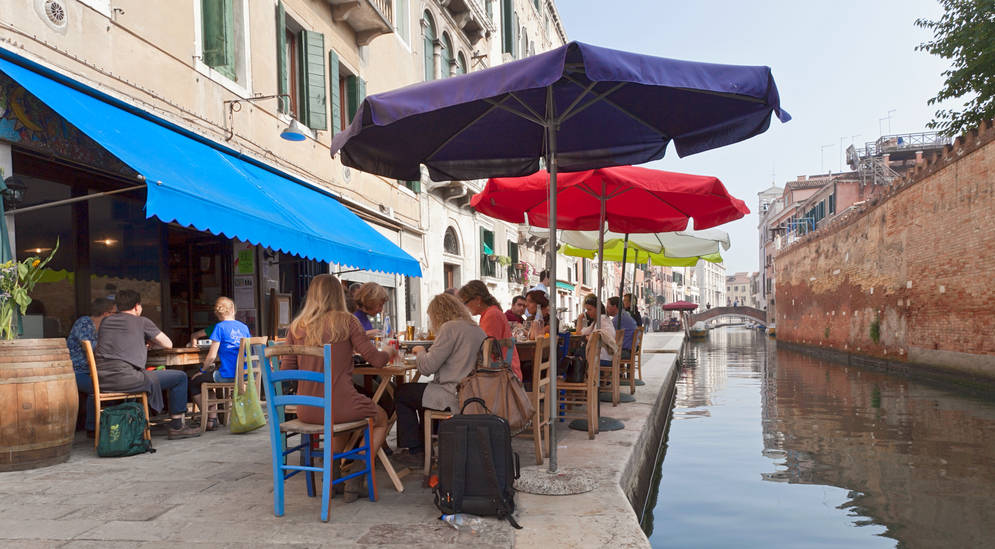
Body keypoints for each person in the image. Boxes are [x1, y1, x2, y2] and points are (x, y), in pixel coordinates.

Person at [280, 274, 397, 502]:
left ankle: (332, 477)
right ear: (338, 295)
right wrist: (390, 352)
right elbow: (376, 360)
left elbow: (286, 369)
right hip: (341, 404)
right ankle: (356, 475)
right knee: (381, 418)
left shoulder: (296, 326)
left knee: (339, 424)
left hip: (307, 409)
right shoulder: (347, 321)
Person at [392, 293, 486, 467]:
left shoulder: (450, 328)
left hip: (452, 393)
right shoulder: (476, 328)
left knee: (403, 392)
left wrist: (420, 351)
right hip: (473, 393)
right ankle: (425, 444)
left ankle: (415, 451)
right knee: (420, 395)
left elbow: (427, 367)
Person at [94, 289, 201, 439]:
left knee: (147, 374)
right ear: (137, 307)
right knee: (180, 377)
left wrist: (141, 343)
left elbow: (120, 343)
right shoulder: (142, 321)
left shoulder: (106, 322)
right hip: (128, 379)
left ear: (117, 306)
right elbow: (168, 344)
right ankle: (177, 426)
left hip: (103, 380)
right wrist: (151, 343)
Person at [188, 297, 251, 431]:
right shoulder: (244, 328)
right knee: (206, 383)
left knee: (195, 381)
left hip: (227, 376)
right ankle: (212, 418)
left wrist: (202, 370)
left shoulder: (219, 327)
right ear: (233, 309)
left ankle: (209, 417)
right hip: (244, 375)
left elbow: (211, 357)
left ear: (217, 314)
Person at [66, 297, 116, 436]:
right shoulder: (84, 323)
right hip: (76, 372)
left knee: (115, 384)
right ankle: (92, 428)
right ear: (106, 313)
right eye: (114, 313)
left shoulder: (103, 328)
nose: (116, 317)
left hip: (94, 371)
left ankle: (109, 422)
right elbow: (91, 350)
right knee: (98, 387)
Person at [458, 280, 522, 380]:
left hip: (502, 374)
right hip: (503, 370)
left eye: (465, 303)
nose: (465, 307)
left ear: (478, 300)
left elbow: (486, 350)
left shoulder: (491, 316)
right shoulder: (491, 312)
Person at [578, 294, 617, 364]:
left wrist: (586, 337)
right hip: (607, 356)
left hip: (602, 357)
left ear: (597, 309)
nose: (587, 312)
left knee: (577, 356)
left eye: (590, 309)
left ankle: (584, 374)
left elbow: (593, 338)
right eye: (587, 310)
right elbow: (580, 333)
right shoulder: (598, 321)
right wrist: (580, 318)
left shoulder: (601, 321)